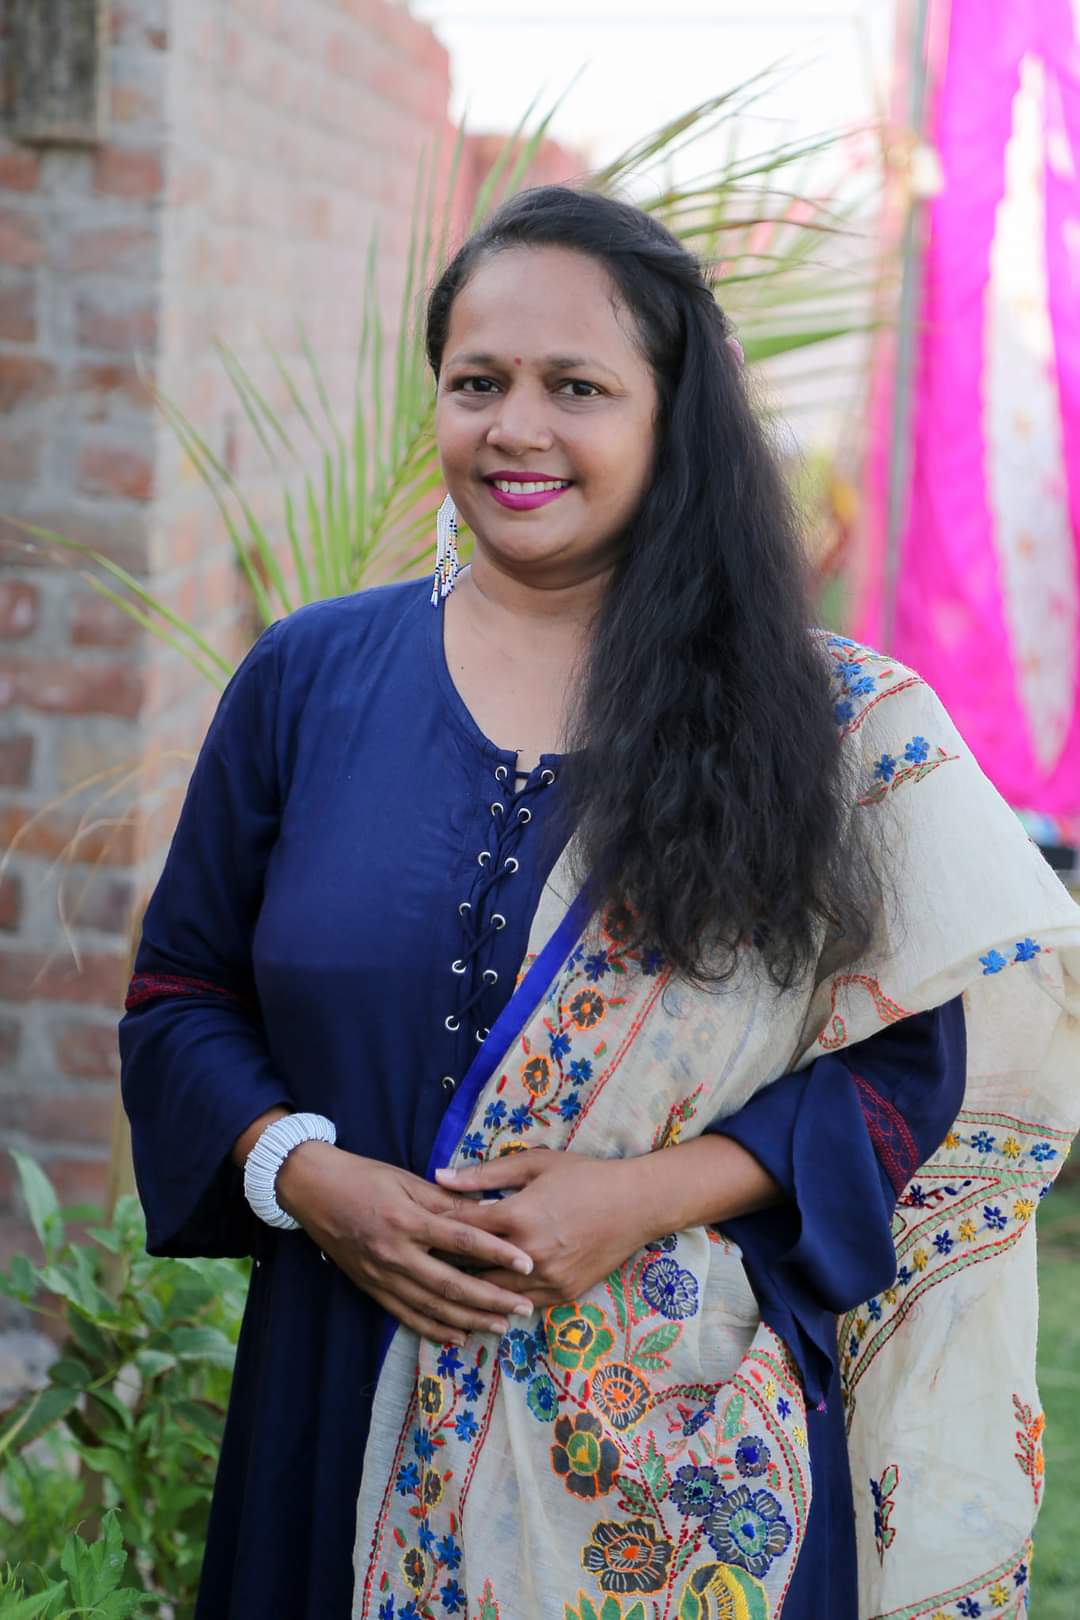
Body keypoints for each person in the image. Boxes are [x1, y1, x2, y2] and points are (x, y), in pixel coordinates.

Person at [119, 186, 1080, 1620]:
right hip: (334, 1396)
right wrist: (309, 1179)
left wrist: (638, 1199)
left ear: (671, 418)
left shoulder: (822, 726)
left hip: (679, 1467)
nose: (517, 428)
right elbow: (179, 1000)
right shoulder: (308, 681)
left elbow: (903, 1082)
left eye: (577, 387)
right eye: (478, 383)